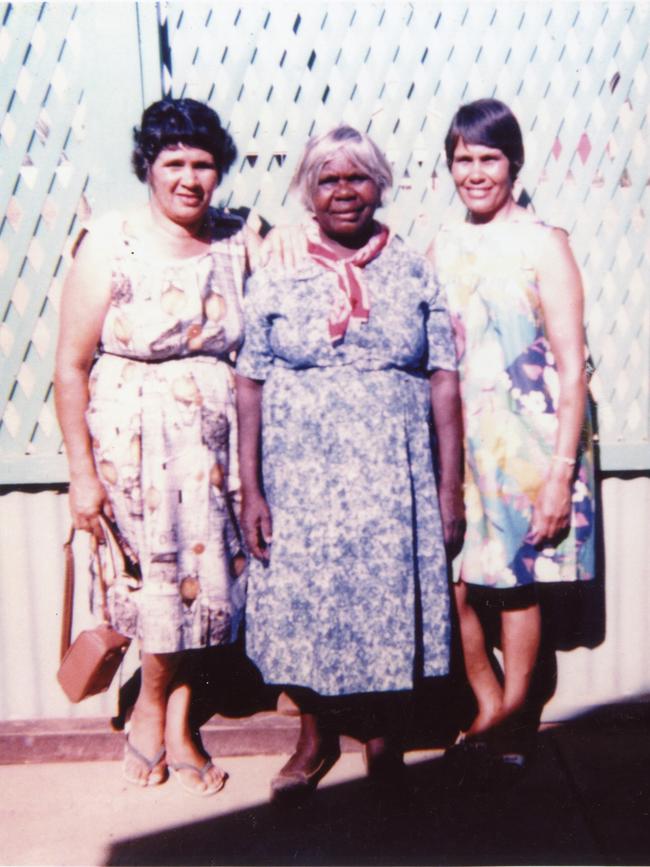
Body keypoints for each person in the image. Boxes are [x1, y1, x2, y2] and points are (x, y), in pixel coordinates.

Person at [236, 125, 464, 801]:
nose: (344, 192)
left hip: (393, 478)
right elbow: (249, 381)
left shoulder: (415, 269)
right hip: (301, 476)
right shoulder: (276, 271)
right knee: (306, 602)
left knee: (389, 599)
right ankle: (313, 737)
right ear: (308, 190)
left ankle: (386, 738)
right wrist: (250, 488)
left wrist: (450, 485)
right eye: (328, 179)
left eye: (358, 177)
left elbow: (445, 379)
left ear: (381, 185)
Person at [54, 98, 261, 795]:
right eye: (174, 163)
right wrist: (82, 474)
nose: (190, 179)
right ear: (149, 166)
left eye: (204, 165)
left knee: (204, 590)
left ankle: (177, 721)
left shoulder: (239, 239)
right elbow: (68, 366)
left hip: (213, 449)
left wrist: (286, 239)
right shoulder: (110, 240)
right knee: (153, 586)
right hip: (131, 444)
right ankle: (151, 710)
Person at [428, 98, 596, 769]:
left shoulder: (543, 241)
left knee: (516, 577)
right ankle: (489, 700)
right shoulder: (442, 245)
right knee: (459, 581)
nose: (474, 172)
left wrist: (560, 470)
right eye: (462, 158)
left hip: (528, 437)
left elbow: (571, 364)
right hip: (459, 437)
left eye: (488, 158)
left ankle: (515, 715)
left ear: (514, 163)